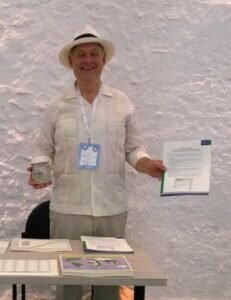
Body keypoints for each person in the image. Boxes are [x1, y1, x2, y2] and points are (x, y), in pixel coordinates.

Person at [28, 25, 166, 300]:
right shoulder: (57, 106)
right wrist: (41, 171)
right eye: (81, 55)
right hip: (69, 209)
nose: (88, 60)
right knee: (69, 284)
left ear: (104, 60)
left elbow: (134, 148)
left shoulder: (122, 103)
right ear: (71, 62)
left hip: (110, 209)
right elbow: (43, 149)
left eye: (94, 54)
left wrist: (146, 163)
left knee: (108, 284)